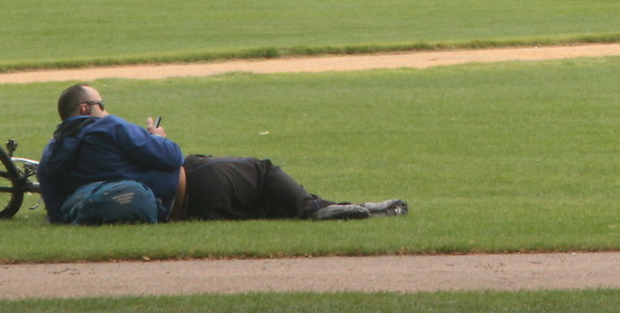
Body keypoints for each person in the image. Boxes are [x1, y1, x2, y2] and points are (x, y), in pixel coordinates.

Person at [38, 83, 405, 226]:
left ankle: (355, 207)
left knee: (260, 203)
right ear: (85, 109)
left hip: (180, 207)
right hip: (192, 185)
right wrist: (158, 136)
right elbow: (169, 155)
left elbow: (57, 211)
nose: (105, 108)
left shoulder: (52, 152)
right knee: (262, 172)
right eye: (101, 103)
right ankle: (320, 209)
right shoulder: (106, 126)